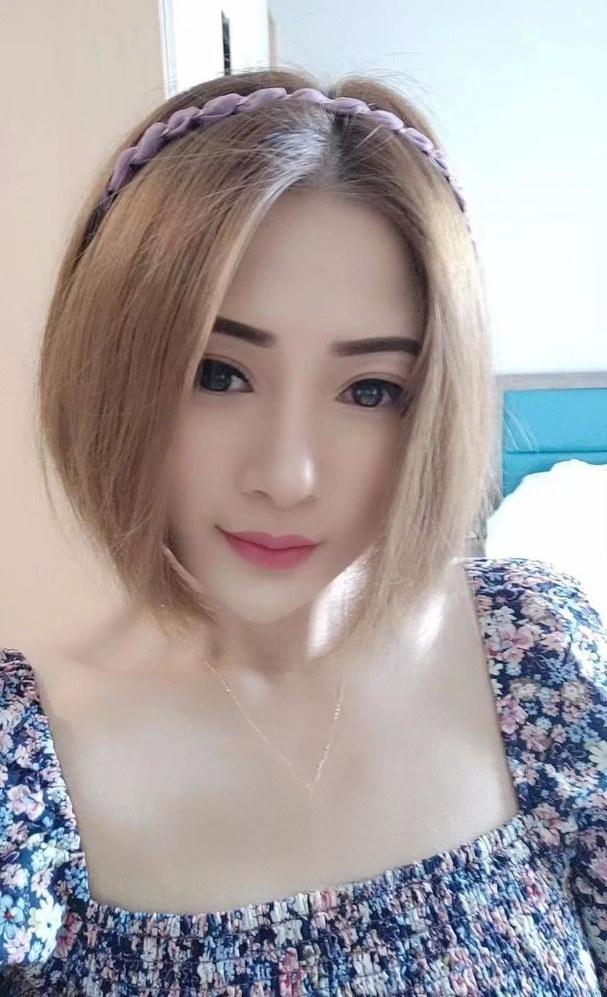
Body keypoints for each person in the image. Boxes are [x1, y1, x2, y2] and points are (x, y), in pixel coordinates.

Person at [1, 64, 606, 997]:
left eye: (369, 390)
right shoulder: (23, 765)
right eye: (218, 373)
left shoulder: (538, 654)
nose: (285, 476)